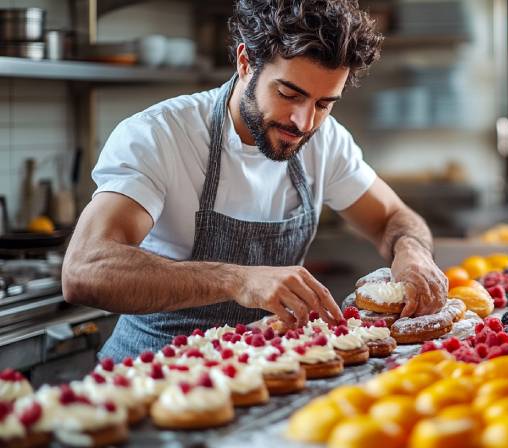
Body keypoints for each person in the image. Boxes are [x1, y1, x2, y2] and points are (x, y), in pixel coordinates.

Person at [62, 0, 448, 360]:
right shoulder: (160, 135)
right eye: (288, 94)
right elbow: (85, 269)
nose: (303, 122)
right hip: (151, 375)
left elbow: (391, 217)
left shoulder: (325, 141)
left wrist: (411, 250)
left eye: (323, 104)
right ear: (246, 62)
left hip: (260, 374)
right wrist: (235, 279)